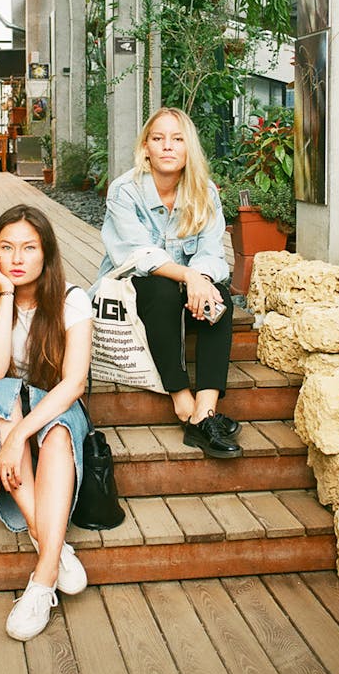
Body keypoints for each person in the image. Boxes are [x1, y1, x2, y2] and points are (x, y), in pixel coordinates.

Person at [0, 204, 93, 641]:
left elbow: (73, 384)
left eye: (29, 248)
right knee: (2, 394)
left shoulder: (72, 300)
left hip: (50, 414)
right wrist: (7, 295)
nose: (17, 259)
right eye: (6, 248)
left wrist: (19, 435)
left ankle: (42, 578)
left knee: (56, 429)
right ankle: (53, 543)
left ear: (46, 254)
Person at [94, 107, 241, 458]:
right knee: (161, 289)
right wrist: (189, 275)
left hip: (187, 296)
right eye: (158, 139)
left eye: (177, 139)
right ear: (146, 147)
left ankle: (204, 413)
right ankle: (181, 399)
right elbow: (137, 257)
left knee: (219, 296)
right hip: (137, 294)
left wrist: (201, 278)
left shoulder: (204, 192)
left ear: (188, 147)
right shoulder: (124, 191)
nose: (167, 147)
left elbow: (210, 253)